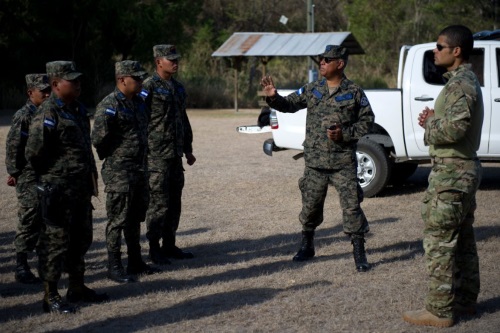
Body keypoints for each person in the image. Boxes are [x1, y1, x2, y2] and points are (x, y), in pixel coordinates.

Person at [260, 45, 374, 272]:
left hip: (343, 162)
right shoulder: (312, 89)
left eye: (326, 60)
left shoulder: (354, 92)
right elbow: (289, 105)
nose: (321, 63)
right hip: (315, 162)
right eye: (320, 59)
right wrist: (274, 98)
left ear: (339, 64)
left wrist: (345, 134)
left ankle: (359, 252)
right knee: (310, 207)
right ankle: (307, 245)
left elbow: (367, 121)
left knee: (352, 208)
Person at [403, 25, 483, 328]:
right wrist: (436, 120)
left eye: (439, 46)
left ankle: (439, 310)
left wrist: (431, 124)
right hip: (460, 170)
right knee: (462, 239)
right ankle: (464, 300)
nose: (434, 51)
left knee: (439, 242)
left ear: (456, 51)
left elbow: (455, 129)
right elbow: (452, 124)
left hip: (452, 173)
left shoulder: (461, 85)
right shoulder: (462, 82)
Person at [25, 61, 108, 314]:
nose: (78, 84)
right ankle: (51, 295)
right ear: (55, 84)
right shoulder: (48, 113)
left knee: (81, 239)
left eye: (79, 80)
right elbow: (34, 153)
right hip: (58, 191)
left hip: (80, 190)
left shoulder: (78, 110)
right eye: (72, 80)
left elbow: (85, 147)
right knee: (55, 244)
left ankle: (77, 287)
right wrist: (56, 175)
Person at [92, 60, 161, 283]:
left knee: (135, 217)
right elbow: (99, 140)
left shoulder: (139, 102)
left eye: (141, 77)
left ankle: (135, 261)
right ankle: (114, 265)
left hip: (140, 169)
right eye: (137, 78)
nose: (141, 81)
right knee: (117, 220)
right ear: (122, 80)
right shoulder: (109, 105)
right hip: (119, 171)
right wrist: (118, 156)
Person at [141, 44, 196, 265]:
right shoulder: (147, 87)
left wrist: (188, 148)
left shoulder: (178, 88)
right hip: (156, 156)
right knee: (158, 203)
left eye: (176, 59)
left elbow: (183, 119)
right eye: (170, 59)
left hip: (174, 155)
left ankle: (169, 244)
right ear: (158, 62)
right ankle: (154, 248)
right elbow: (140, 120)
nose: (175, 62)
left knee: (174, 201)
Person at [5, 74, 50, 284]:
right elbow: (14, 147)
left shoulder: (48, 111)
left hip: (47, 174)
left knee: (45, 218)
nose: (48, 93)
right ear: (30, 93)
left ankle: (44, 262)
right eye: (43, 91)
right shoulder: (24, 116)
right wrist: (15, 173)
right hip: (29, 176)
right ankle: (21, 265)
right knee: (29, 218)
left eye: (49, 89)